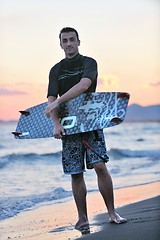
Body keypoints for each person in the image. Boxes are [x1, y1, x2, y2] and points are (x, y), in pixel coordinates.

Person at [45, 27, 127, 234]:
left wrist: (58, 103)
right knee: (75, 172)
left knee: (99, 165)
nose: (69, 43)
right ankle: (82, 219)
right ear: (61, 44)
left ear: (79, 42)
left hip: (91, 122)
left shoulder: (89, 63)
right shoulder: (56, 69)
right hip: (68, 125)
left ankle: (111, 212)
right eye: (65, 41)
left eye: (72, 40)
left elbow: (84, 85)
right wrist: (56, 124)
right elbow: (51, 99)